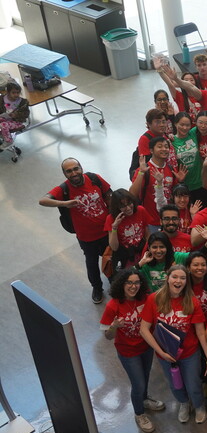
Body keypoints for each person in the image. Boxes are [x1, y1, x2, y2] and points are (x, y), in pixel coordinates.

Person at [139, 265, 207, 424]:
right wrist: (161, 352)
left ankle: (199, 405)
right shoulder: (154, 299)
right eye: (175, 277)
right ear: (167, 278)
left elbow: (201, 333)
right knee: (175, 384)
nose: (178, 281)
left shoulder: (192, 301)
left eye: (182, 278)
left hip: (189, 354)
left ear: (186, 282)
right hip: (165, 355)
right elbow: (144, 329)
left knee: (193, 383)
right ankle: (183, 403)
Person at [39, 158, 112, 303]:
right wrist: (65, 203)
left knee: (109, 259)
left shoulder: (94, 178)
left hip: (106, 231)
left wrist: (113, 219)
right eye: (69, 171)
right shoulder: (64, 189)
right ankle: (97, 287)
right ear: (64, 173)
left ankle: (114, 281)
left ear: (81, 167)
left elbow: (109, 194)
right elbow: (43, 200)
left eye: (76, 168)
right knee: (91, 263)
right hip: (86, 237)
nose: (74, 173)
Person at [100, 268, 164, 433]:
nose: (133, 286)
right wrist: (114, 327)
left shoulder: (145, 299)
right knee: (138, 383)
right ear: (122, 284)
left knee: (146, 376)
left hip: (146, 347)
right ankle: (139, 414)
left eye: (136, 282)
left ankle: (143, 399)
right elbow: (107, 336)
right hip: (128, 352)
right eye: (129, 282)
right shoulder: (112, 305)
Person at [105, 189, 149, 271]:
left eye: (129, 203)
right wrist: (114, 227)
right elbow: (114, 247)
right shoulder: (111, 219)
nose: (128, 208)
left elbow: (147, 234)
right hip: (125, 256)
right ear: (117, 207)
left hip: (141, 251)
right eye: (123, 206)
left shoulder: (141, 210)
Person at [0, 81, 28, 145]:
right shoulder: (2, 99)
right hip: (5, 119)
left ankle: (8, 141)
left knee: (3, 125)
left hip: (17, 122)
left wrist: (15, 115)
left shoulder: (22, 102)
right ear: (8, 93)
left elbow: (26, 113)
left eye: (18, 93)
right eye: (13, 93)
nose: (16, 95)